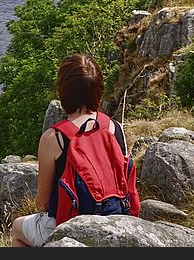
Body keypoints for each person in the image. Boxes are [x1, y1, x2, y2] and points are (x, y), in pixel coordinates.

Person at [10, 53, 140, 247]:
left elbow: (43, 203)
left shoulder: (54, 138)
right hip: (116, 220)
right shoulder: (115, 128)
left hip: (70, 224)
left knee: (17, 229)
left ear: (64, 91)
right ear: (98, 90)